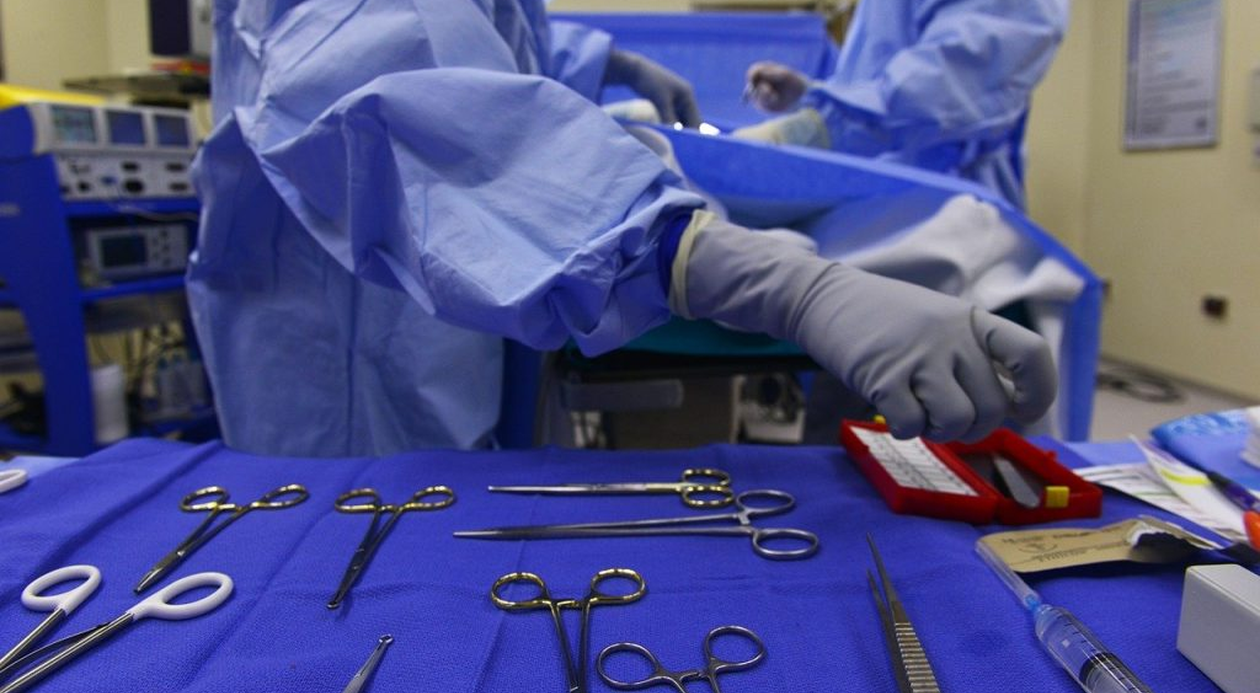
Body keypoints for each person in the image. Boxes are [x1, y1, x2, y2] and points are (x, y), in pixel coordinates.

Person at [188, 0, 1057, 457]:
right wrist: (751, 273)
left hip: (422, 315)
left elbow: (480, 35)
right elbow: (404, 104)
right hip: (346, 332)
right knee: (361, 557)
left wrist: (603, 59)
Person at [738, 0, 1069, 209]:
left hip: (945, 215)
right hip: (876, 201)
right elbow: (884, 68)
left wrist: (822, 125)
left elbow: (941, 91)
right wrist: (814, 95)